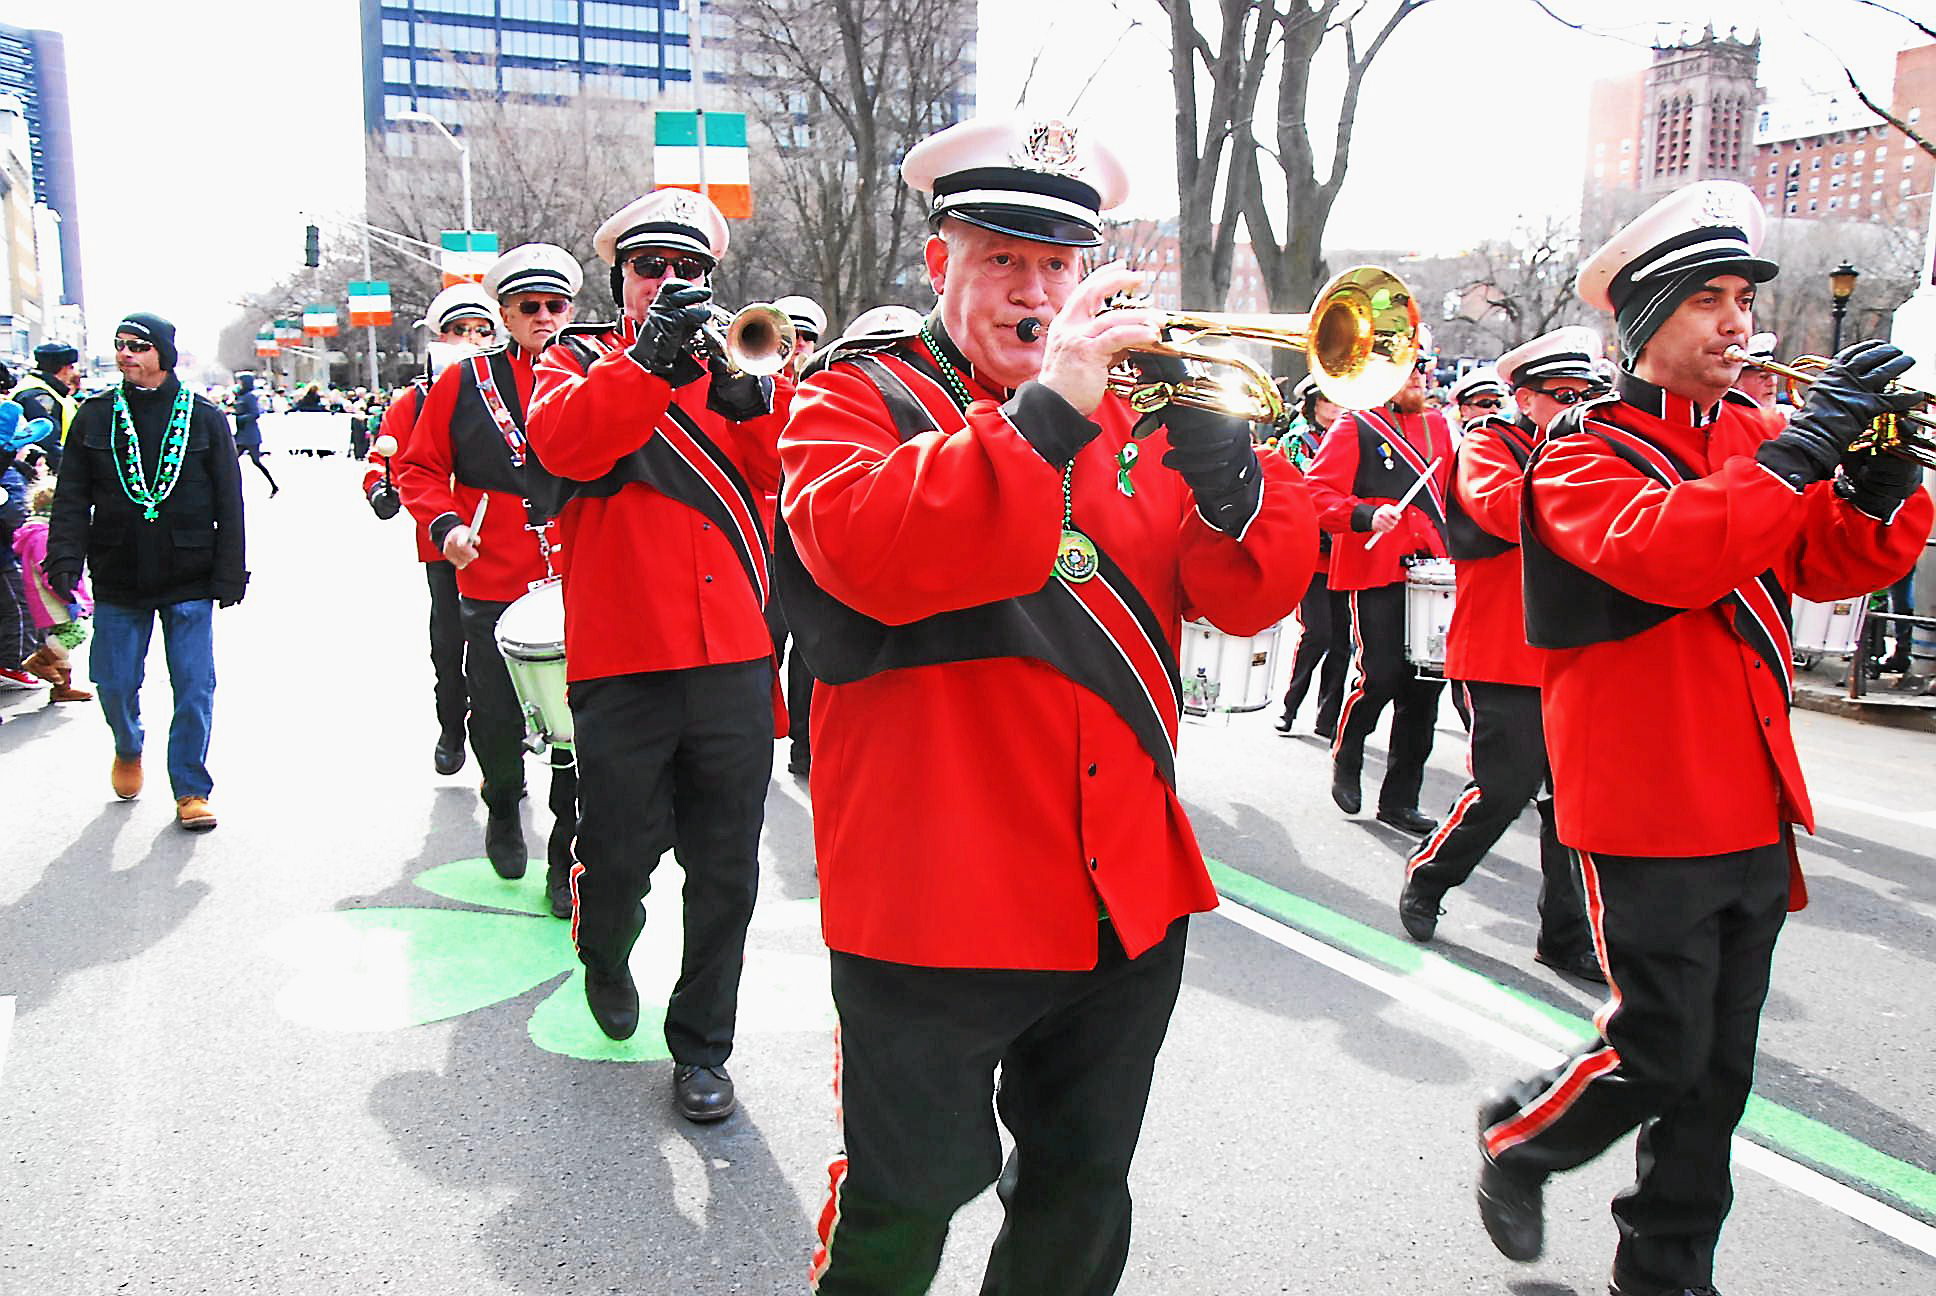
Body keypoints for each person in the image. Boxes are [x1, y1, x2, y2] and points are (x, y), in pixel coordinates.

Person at [780, 114, 1316, 1294]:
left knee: (1078, 1204)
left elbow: (1247, 597)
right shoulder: (851, 403)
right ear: (939, 265)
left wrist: (1239, 488)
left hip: (1118, 892)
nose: (1035, 294)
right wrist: (1052, 414)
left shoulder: (1137, 416)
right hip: (933, 898)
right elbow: (872, 548)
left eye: (1058, 268)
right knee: (903, 1199)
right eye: (1001, 261)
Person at [1472, 180, 1932, 1296]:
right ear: (1641, 325)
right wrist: (1799, 453)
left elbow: (1832, 564)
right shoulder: (1582, 451)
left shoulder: (1758, 432)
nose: (1738, 322)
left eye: (1742, 298)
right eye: (1706, 301)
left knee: (1719, 1071)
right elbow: (1669, 555)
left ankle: (1665, 1268)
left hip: (1750, 792)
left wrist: (1877, 483)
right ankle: (1519, 1140)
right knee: (1661, 1046)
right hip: (1641, 795)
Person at [524, 188, 785, 1123]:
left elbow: (775, 473)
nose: (671, 282)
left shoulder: (732, 361)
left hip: (732, 657)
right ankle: (605, 945)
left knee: (728, 868)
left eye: (691, 270)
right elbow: (567, 445)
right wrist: (645, 358)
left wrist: (747, 394)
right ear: (620, 277)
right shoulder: (573, 362)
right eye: (651, 267)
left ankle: (704, 1045)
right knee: (622, 851)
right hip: (625, 654)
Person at [1400, 327, 1609, 983]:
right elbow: (1499, 509)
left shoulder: (1590, 448)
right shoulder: (1489, 442)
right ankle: (1429, 877)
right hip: (1499, 651)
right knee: (1506, 787)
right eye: (1562, 396)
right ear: (1522, 397)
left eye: (1587, 394)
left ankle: (1563, 935)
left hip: (1572, 654)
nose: (1577, 406)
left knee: (1573, 801)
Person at [397, 246, 581, 909]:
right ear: (504, 313)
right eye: (528, 307)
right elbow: (416, 467)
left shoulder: (597, 376)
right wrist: (447, 526)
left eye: (554, 306)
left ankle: (567, 860)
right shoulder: (464, 380)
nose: (542, 317)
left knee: (578, 732)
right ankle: (503, 803)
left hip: (582, 576)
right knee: (497, 721)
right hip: (492, 572)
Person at [44, 313, 247, 829]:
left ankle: (190, 789)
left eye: (138, 345)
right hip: (119, 570)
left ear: (163, 353)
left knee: (194, 685)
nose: (126, 354)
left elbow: (230, 499)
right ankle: (128, 744)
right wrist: (64, 556)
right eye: (120, 346)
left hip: (190, 571)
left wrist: (231, 570)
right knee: (113, 681)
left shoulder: (204, 417)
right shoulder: (94, 416)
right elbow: (71, 497)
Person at [1304, 332, 1456, 835]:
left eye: (1425, 367)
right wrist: (1366, 514)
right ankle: (1346, 752)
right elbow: (1317, 495)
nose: (1421, 377)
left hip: (1432, 576)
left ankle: (1400, 799)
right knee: (1382, 675)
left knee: (1425, 692)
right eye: (1413, 368)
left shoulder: (1440, 427)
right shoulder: (1356, 424)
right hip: (1376, 571)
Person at [367, 284, 501, 776]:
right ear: (438, 336)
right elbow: (389, 458)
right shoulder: (416, 398)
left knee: (502, 650)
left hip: (500, 541)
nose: (470, 339)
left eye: (481, 331)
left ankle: (501, 752)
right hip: (443, 541)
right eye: (458, 331)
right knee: (449, 643)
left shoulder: (513, 384)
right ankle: (451, 724)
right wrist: (381, 490)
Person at [1276, 376, 1350, 738]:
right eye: (1328, 400)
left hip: (1344, 550)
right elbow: (1286, 493)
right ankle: (1290, 705)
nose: (1336, 407)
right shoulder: (1295, 441)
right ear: (1312, 403)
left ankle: (1328, 717)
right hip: (1310, 549)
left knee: (1344, 643)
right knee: (1317, 633)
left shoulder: (1350, 438)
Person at [13, 476, 94, 702]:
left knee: (61, 635)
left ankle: (62, 687)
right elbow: (49, 569)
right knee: (75, 633)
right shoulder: (44, 536)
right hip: (52, 597)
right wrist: (68, 595)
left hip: (49, 595)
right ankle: (39, 661)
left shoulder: (39, 532)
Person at [13, 341, 80, 470]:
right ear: (64, 368)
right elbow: (48, 443)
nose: (73, 373)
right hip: (44, 471)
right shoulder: (37, 395)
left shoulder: (49, 391)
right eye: (71, 367)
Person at [230, 372, 279, 497]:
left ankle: (273, 485)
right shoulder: (241, 396)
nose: (238, 384)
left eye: (240, 381)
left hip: (250, 436)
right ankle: (273, 486)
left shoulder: (249, 397)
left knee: (255, 462)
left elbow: (255, 413)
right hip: (241, 434)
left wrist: (239, 417)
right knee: (232, 461)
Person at [1446, 366, 1510, 435]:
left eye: (1497, 403)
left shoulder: (1506, 437)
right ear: (1464, 411)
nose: (1494, 410)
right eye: (1486, 404)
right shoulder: (1452, 440)